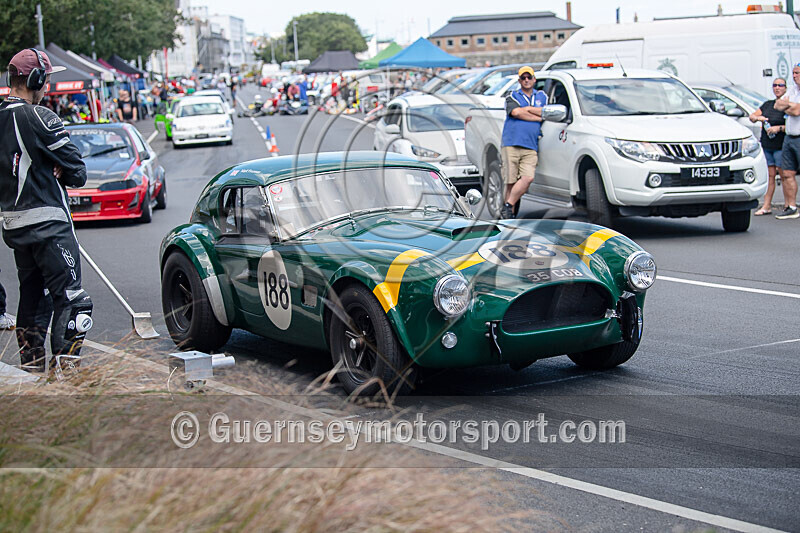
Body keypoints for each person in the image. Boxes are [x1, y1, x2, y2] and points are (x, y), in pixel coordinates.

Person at [0, 48, 93, 370]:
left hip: (14, 226)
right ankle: (66, 375)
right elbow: (78, 173)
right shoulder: (41, 117)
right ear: (36, 79)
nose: (48, 86)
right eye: (47, 79)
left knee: (33, 299)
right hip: (50, 225)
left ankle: (32, 369)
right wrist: (59, 167)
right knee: (74, 301)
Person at [498, 66, 547, 219]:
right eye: (523, 78)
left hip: (531, 145)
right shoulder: (512, 96)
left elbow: (545, 112)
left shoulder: (542, 96)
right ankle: (509, 217)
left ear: (534, 79)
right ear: (519, 81)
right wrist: (537, 115)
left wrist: (527, 110)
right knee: (510, 181)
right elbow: (515, 112)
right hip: (511, 143)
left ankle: (508, 205)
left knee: (528, 177)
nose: (526, 80)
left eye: (529, 77)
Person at [749, 78, 787, 215]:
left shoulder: (787, 105)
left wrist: (778, 128)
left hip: (780, 145)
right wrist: (759, 118)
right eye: (775, 85)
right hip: (767, 145)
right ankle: (766, 205)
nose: (777, 88)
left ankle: (789, 205)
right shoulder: (768, 105)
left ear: (785, 88)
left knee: (784, 176)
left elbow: (792, 125)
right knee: (770, 176)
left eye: (780, 85)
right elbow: (752, 116)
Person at [773, 65, 800, 219]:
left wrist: (787, 106)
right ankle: (791, 207)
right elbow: (777, 104)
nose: (794, 76)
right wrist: (790, 106)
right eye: (793, 73)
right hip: (789, 137)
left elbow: (796, 111)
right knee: (787, 173)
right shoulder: (792, 90)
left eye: (797, 73)